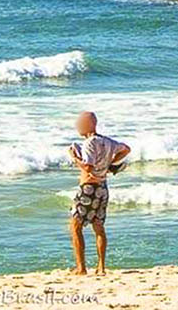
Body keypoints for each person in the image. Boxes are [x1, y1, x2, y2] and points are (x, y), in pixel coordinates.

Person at [68, 111, 130, 276]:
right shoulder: (108, 141)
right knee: (98, 227)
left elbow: (87, 167)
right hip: (103, 187)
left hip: (88, 187)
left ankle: (81, 268)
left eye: (80, 122)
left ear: (88, 124)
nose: (77, 126)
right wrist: (110, 164)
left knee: (75, 227)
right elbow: (126, 149)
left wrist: (74, 157)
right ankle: (101, 267)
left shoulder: (89, 143)